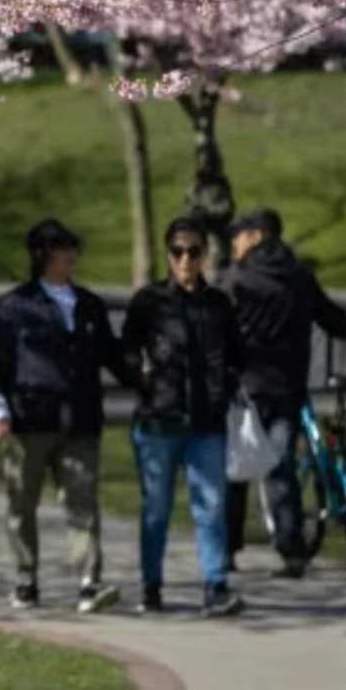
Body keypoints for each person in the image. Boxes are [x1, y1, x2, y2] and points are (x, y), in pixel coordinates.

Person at [0, 219, 131, 614]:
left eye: (74, 248)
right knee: (21, 503)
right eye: (65, 249)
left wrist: (147, 380)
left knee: (83, 501)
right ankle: (26, 578)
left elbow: (112, 357)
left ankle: (88, 581)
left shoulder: (89, 305)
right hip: (29, 418)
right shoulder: (15, 307)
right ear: (43, 254)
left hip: (79, 419)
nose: (73, 256)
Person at [219, 206, 346, 576]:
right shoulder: (299, 277)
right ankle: (292, 552)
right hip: (289, 387)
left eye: (238, 235)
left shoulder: (237, 280)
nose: (233, 243)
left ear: (256, 237)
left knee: (237, 468)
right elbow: (335, 321)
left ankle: (227, 549)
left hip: (247, 388)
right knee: (281, 467)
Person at [122, 217, 246, 616]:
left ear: (205, 254)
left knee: (210, 505)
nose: (186, 259)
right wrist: (143, 382)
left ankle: (216, 585)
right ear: (168, 254)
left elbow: (237, 354)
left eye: (193, 250)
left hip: (206, 423)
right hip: (159, 420)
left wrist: (225, 385)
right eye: (178, 251)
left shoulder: (218, 304)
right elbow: (124, 350)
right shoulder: (150, 301)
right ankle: (151, 585)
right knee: (156, 509)